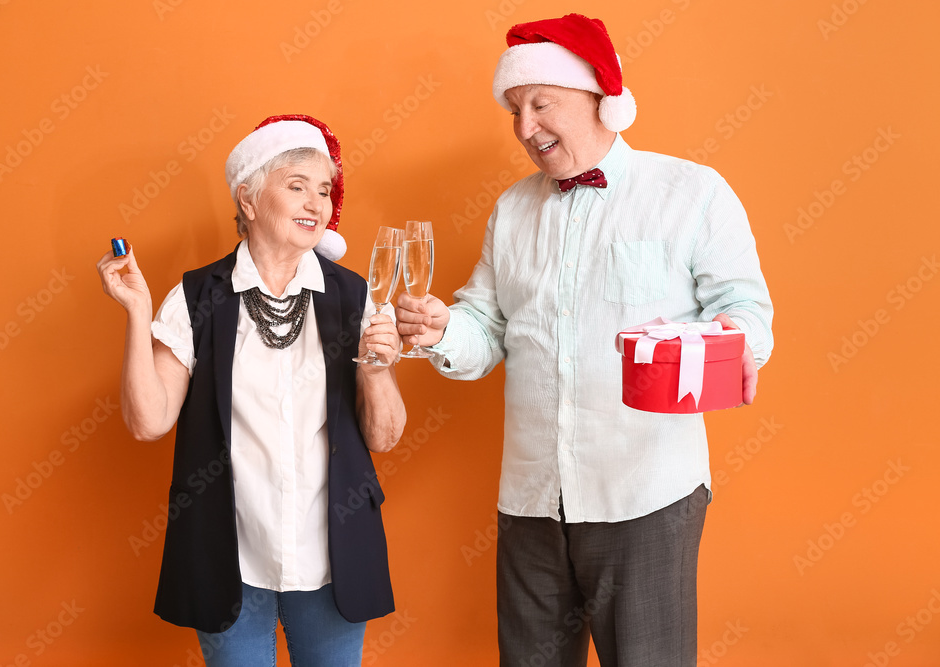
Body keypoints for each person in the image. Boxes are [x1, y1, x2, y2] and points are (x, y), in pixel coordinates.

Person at [396, 14, 774, 667]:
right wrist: (442, 328)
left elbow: (745, 314)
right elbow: (486, 327)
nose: (524, 127)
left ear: (603, 100)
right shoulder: (512, 210)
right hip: (532, 497)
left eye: (543, 104)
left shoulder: (691, 193)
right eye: (515, 109)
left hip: (645, 491)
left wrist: (707, 347)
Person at [96, 114, 404, 666]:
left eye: (325, 191)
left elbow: (383, 438)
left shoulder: (355, 295)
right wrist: (137, 312)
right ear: (249, 199)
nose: (317, 203)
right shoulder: (193, 297)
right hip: (227, 556)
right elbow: (149, 421)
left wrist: (378, 372)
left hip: (331, 555)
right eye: (296, 186)